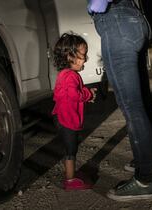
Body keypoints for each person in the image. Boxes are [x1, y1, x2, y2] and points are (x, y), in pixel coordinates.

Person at [88, 0, 152, 201]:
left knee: (132, 107)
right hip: (136, 20)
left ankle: (144, 180)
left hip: (116, 21)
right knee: (142, 100)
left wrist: (96, 5)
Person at [52, 33, 97, 191]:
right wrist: (88, 94)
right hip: (67, 120)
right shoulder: (71, 76)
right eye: (82, 55)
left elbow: (67, 93)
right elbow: (74, 95)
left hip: (61, 117)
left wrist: (85, 93)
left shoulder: (65, 75)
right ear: (69, 56)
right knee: (71, 150)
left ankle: (70, 174)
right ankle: (70, 180)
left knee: (69, 149)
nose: (85, 59)